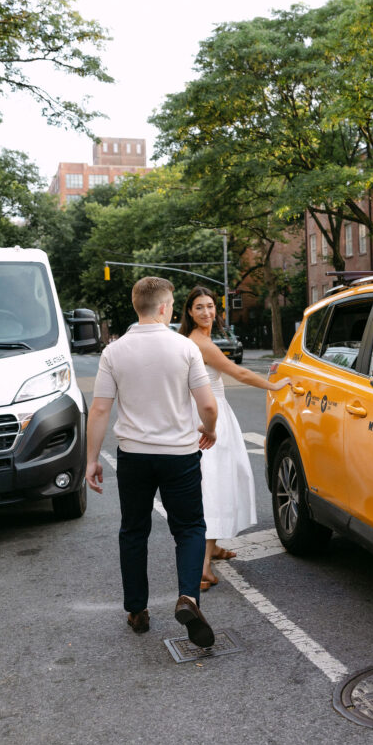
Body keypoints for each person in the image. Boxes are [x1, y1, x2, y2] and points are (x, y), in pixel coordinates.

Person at [86, 276, 218, 648]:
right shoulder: (184, 347)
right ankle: (188, 597)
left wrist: (92, 461)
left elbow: (99, 409)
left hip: (134, 456)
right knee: (189, 528)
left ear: (136, 305)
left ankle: (137, 611)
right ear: (163, 307)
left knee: (133, 531)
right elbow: (207, 404)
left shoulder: (114, 351)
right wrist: (210, 429)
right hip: (179, 454)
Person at [179, 286, 291, 590]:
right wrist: (275, 386)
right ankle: (202, 568)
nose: (207, 312)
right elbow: (238, 373)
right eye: (199, 307)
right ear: (189, 312)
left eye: (211, 306)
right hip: (212, 418)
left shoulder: (188, 340)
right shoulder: (200, 343)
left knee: (213, 482)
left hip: (202, 416)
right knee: (213, 487)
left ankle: (212, 549)